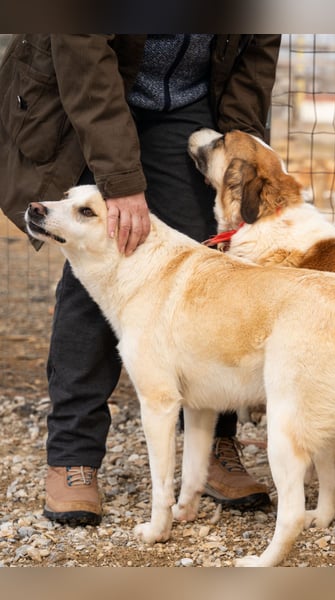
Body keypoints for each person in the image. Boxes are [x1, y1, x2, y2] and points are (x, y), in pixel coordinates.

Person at [0, 34, 282, 526]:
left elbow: (253, 57)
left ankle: (211, 445)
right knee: (107, 254)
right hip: (88, 95)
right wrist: (121, 182)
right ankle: (73, 456)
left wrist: (238, 149)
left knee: (208, 269)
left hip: (188, 103)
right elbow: (84, 56)